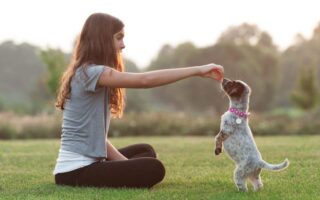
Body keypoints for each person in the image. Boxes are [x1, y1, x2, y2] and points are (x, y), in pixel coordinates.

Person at [53, 12, 224, 188]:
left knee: (145, 151)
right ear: (103, 39)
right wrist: (198, 70)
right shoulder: (91, 73)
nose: (123, 45)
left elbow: (98, 139)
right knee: (153, 168)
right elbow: (145, 80)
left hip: (86, 165)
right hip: (75, 171)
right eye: (118, 38)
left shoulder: (88, 72)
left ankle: (122, 171)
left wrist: (124, 164)